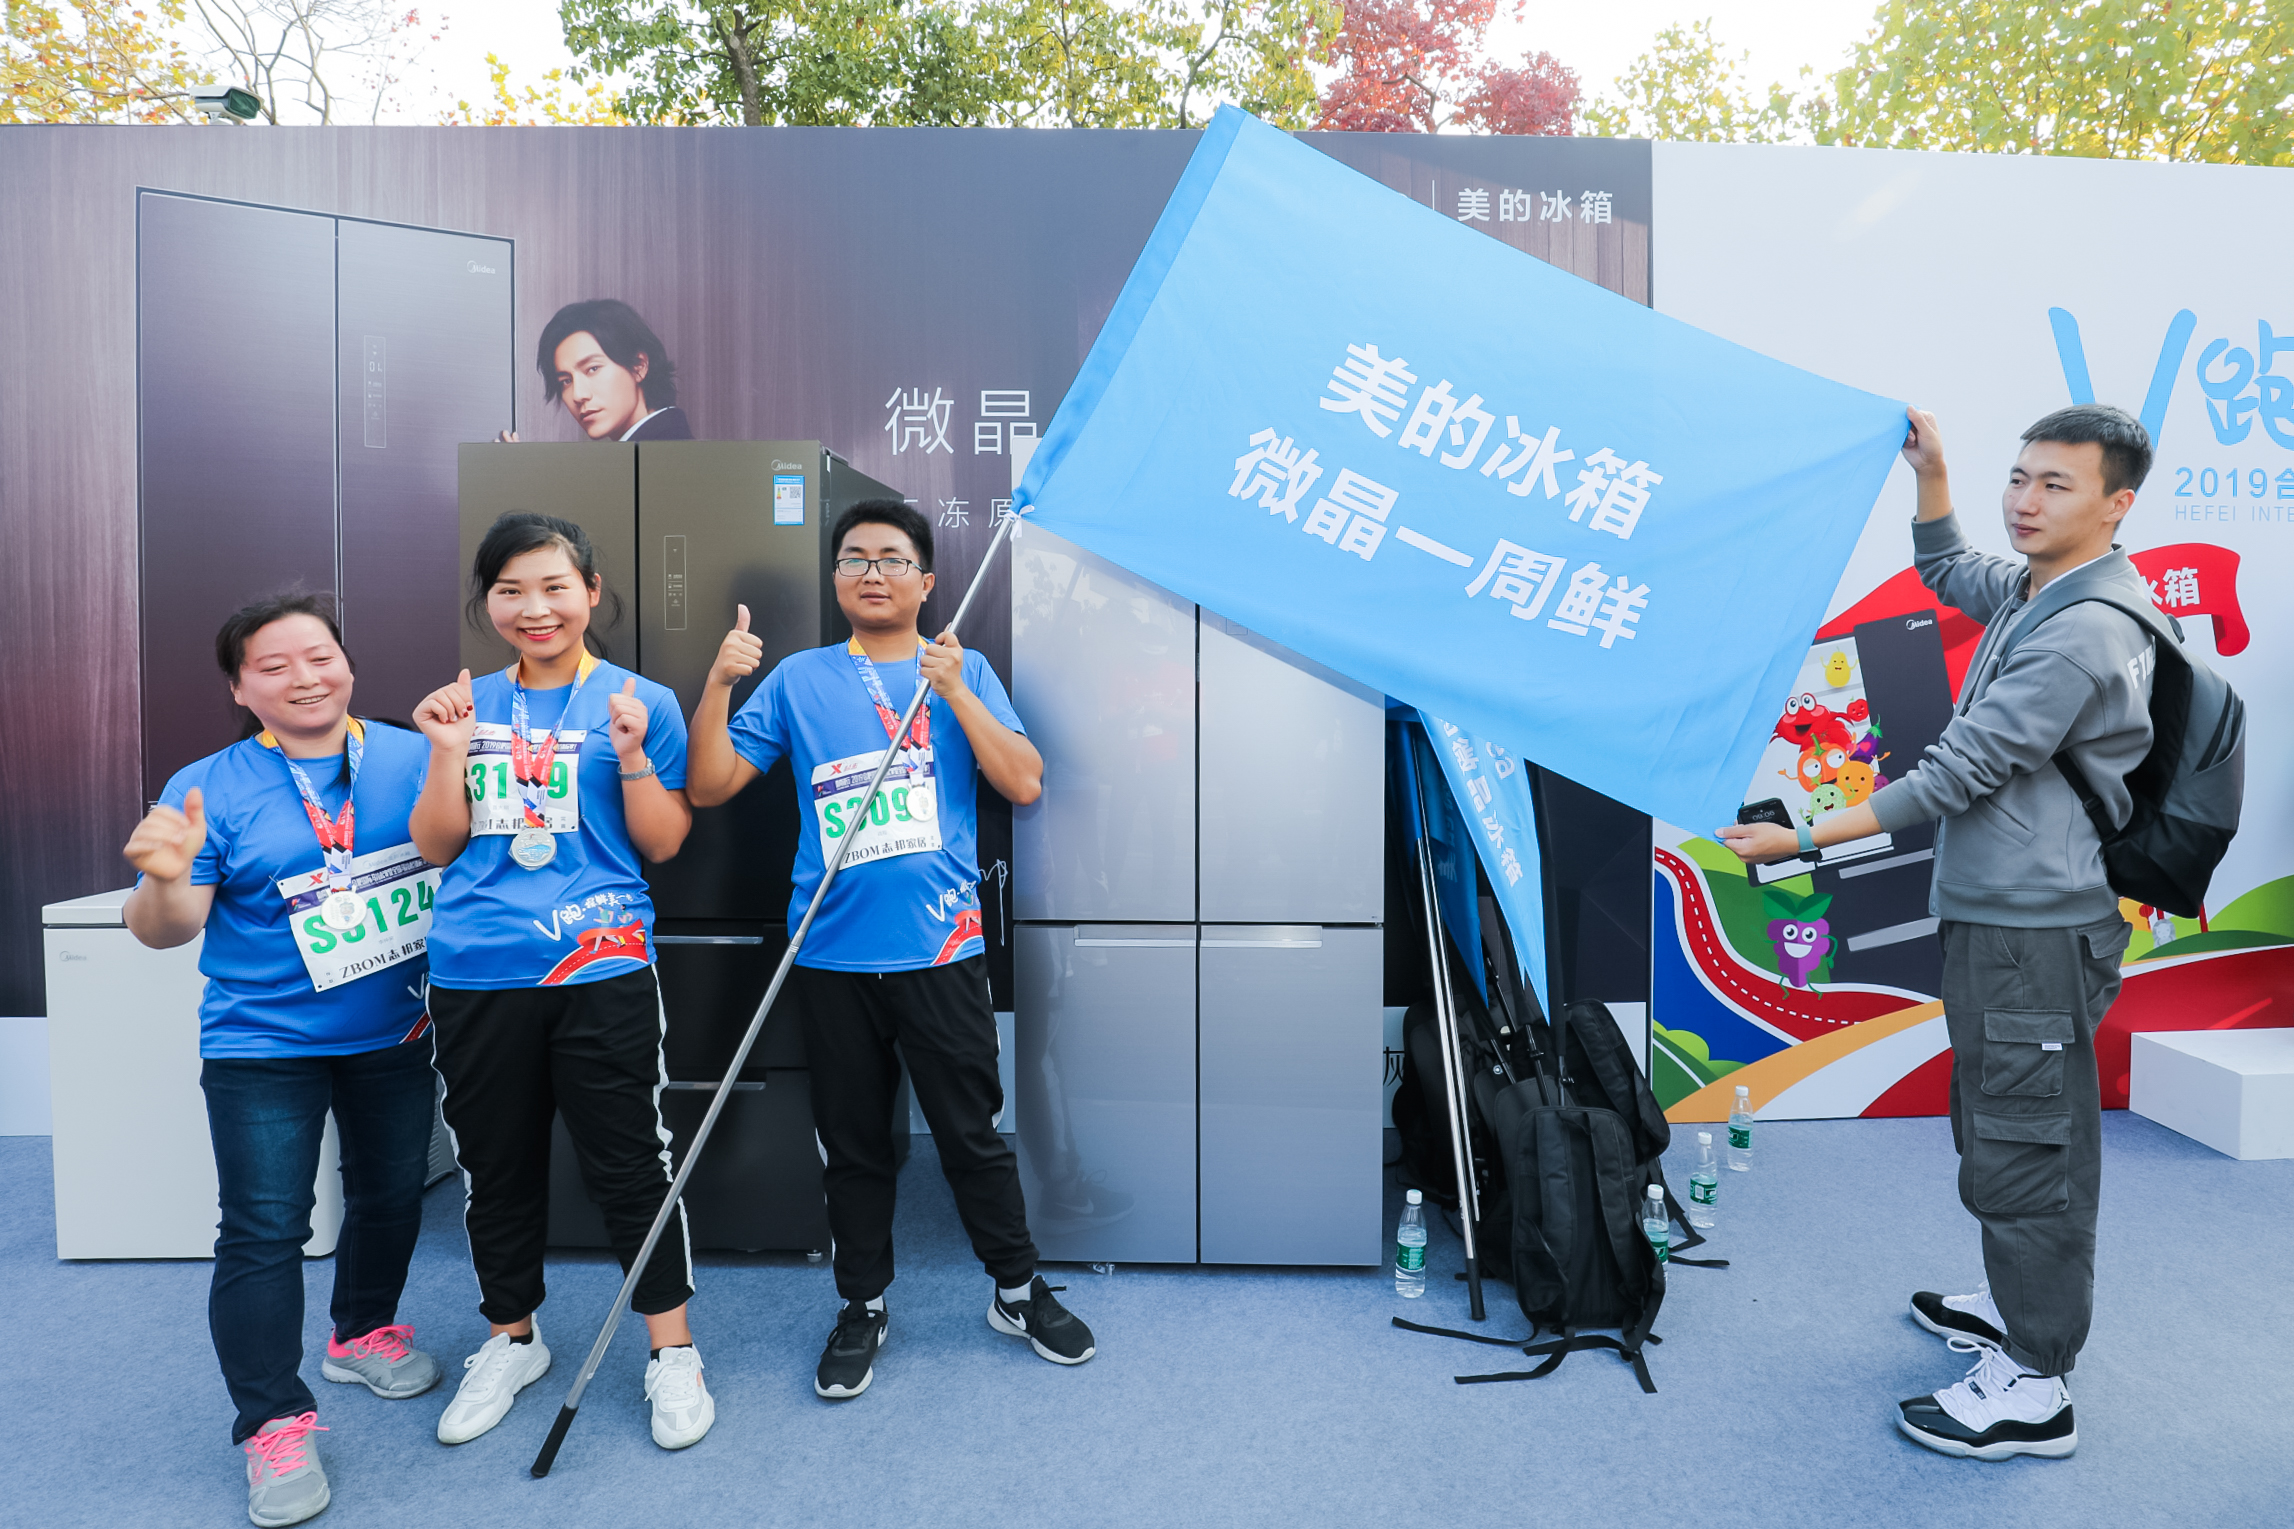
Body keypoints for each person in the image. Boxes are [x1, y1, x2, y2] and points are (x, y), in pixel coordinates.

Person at [1721, 404, 2157, 1462]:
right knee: (1997, 1118)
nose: (2025, 500)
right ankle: (2015, 1300)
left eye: (2055, 484)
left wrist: (1800, 840)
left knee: (2029, 1142)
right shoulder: (2044, 588)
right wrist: (1934, 475)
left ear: (2116, 503)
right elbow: (1951, 571)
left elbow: (1957, 771)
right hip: (2002, 916)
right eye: (2019, 477)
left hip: (2034, 930)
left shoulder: (2084, 629)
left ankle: (2035, 1380)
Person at [685, 499, 1096, 1401]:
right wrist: (717, 683)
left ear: (926, 580)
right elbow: (710, 785)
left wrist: (956, 693)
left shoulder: (962, 667)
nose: (872, 572)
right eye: (855, 558)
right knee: (854, 1143)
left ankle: (1017, 1289)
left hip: (941, 949)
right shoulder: (798, 679)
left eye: (892, 558)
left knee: (971, 1136)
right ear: (835, 578)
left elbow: (1024, 781)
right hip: (830, 954)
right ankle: (862, 1303)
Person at [123, 594, 443, 1528]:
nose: (305, 677)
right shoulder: (207, 786)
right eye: (274, 665)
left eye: (320, 655)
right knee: (265, 1227)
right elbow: (164, 929)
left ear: (348, 663)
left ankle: (362, 1329)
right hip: (263, 1041)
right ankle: (272, 1421)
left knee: (391, 1192)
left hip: (395, 1030)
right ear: (239, 688)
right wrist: (166, 880)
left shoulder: (412, 755)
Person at [409, 512, 713, 1451]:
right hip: (478, 968)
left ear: (591, 591)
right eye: (511, 590)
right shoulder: (463, 705)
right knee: (494, 1165)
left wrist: (633, 755)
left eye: (553, 586)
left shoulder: (642, 700)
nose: (534, 607)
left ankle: (672, 1350)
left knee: (631, 1162)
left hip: (599, 962)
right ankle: (513, 1338)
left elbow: (665, 841)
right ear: (488, 602)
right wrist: (447, 751)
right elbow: (436, 844)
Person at [498, 299, 692, 444]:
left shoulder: (666, 457)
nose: (578, 395)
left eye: (592, 369)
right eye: (566, 381)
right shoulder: (645, 453)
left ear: (639, 366)